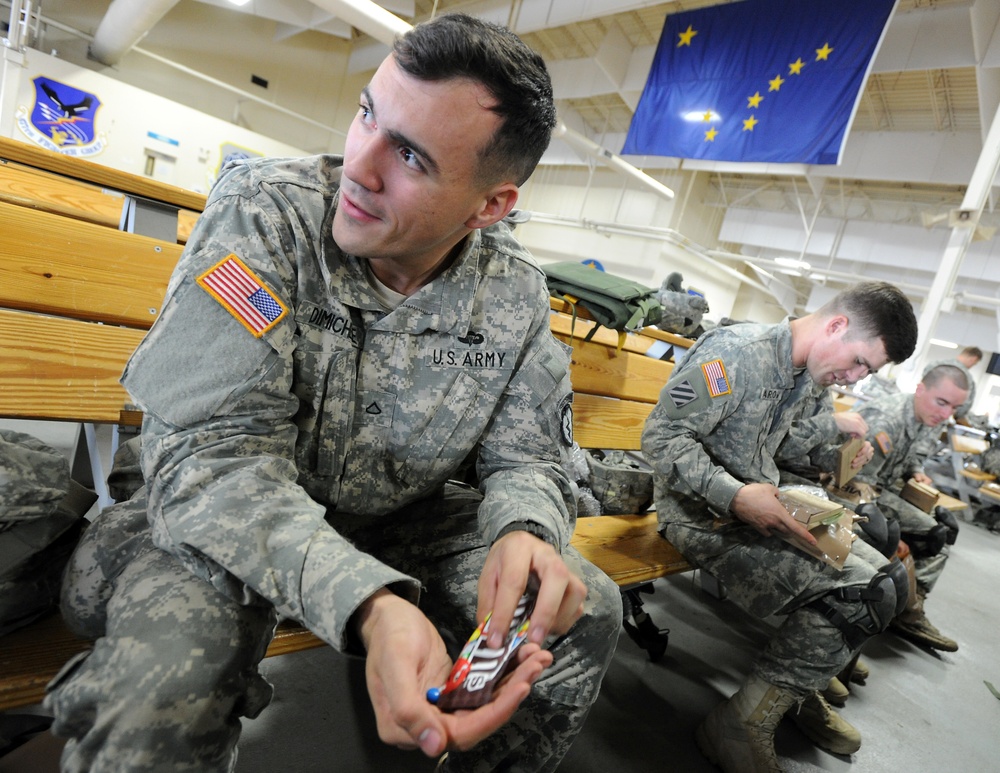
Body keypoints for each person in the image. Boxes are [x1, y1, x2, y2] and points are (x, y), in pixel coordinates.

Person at [44, 14, 621, 773]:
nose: (361, 164)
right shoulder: (267, 214)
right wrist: (368, 601)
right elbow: (214, 461)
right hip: (218, 508)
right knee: (166, 684)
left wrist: (527, 528)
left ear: (489, 207)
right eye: (366, 114)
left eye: (410, 155)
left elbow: (530, 458)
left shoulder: (513, 293)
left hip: (390, 519)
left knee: (574, 604)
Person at [641, 281, 918, 772]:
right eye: (859, 363)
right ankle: (740, 723)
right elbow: (660, 439)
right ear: (836, 326)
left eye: (864, 372)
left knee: (888, 582)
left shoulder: (801, 373)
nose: (854, 379)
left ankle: (792, 689)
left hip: (761, 505)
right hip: (700, 514)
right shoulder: (737, 354)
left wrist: (836, 457)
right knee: (857, 594)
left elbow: (782, 448)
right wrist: (737, 496)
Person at [817, 364, 970, 652]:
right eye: (942, 402)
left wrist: (915, 471)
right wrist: (887, 530)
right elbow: (853, 482)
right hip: (854, 491)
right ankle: (907, 610)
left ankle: (912, 603)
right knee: (925, 534)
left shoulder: (926, 416)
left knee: (943, 531)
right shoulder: (886, 419)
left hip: (884, 487)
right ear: (920, 389)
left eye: (954, 407)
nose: (946, 413)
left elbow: (913, 455)